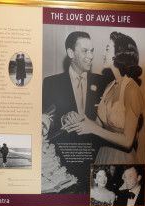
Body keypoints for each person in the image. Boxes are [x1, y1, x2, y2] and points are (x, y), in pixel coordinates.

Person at [42, 31, 108, 193]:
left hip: (97, 159)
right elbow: (43, 124)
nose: (90, 56)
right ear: (71, 53)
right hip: (64, 162)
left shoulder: (103, 83)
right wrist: (63, 119)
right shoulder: (51, 83)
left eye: (92, 50)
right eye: (85, 51)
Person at [64, 31, 144, 164]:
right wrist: (81, 119)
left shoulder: (132, 89)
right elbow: (98, 124)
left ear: (118, 54)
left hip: (122, 160)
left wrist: (93, 129)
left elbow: (128, 141)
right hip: (102, 156)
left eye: (107, 49)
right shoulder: (109, 86)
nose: (103, 53)